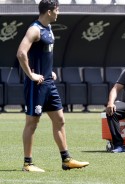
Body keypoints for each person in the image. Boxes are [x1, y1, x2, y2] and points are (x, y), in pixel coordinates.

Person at [16, 0, 89, 172]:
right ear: (49, 11)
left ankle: (66, 160)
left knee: (60, 120)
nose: (59, 13)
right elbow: (21, 53)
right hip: (37, 85)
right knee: (32, 122)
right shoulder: (35, 29)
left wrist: (50, 72)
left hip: (49, 83)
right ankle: (28, 163)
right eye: (57, 10)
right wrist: (31, 75)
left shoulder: (48, 28)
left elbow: (43, 56)